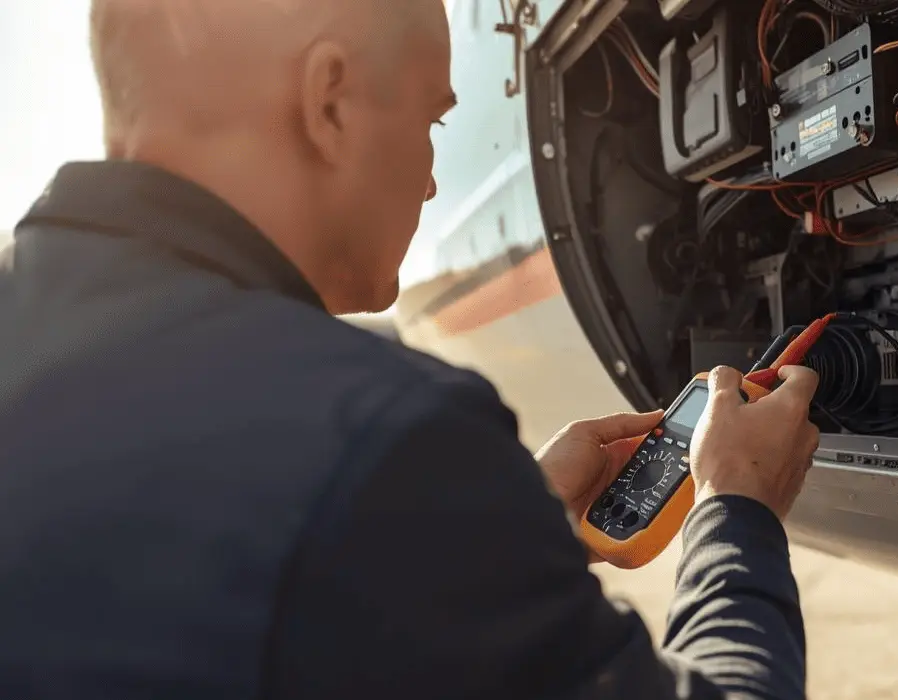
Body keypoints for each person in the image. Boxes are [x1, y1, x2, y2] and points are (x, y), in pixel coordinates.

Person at [0, 1, 822, 698]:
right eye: (432, 116)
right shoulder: (385, 445)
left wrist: (496, 530)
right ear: (329, 102)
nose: (432, 182)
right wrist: (736, 507)